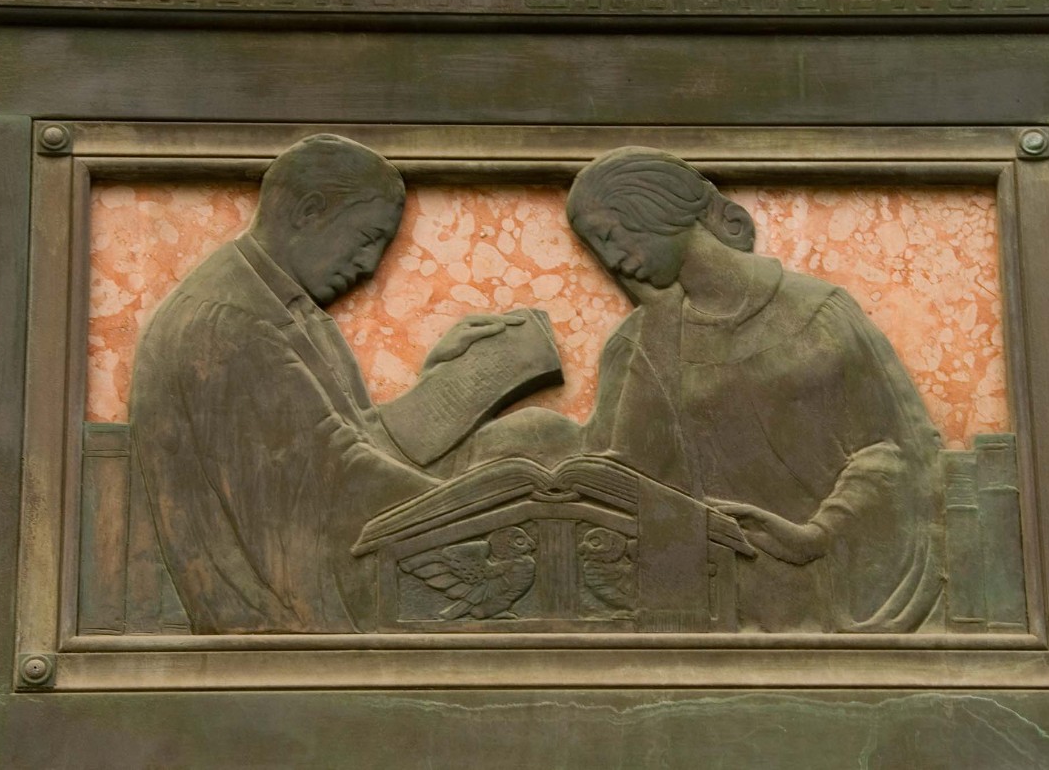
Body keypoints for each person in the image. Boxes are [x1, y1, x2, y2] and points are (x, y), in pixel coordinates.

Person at [130, 134, 517, 634]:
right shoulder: (229, 322)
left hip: (324, 593)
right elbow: (335, 474)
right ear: (309, 211)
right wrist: (491, 514)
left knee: (530, 434)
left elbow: (351, 440)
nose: (369, 266)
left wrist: (441, 376)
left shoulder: (291, 307)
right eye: (367, 238)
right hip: (278, 623)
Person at [563, 146, 946, 633]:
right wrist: (659, 325)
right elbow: (622, 480)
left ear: (654, 212)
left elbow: (893, 450)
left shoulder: (818, 314)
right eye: (595, 249)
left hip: (827, 591)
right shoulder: (636, 341)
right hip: (693, 604)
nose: (611, 261)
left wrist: (816, 534)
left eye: (609, 237)